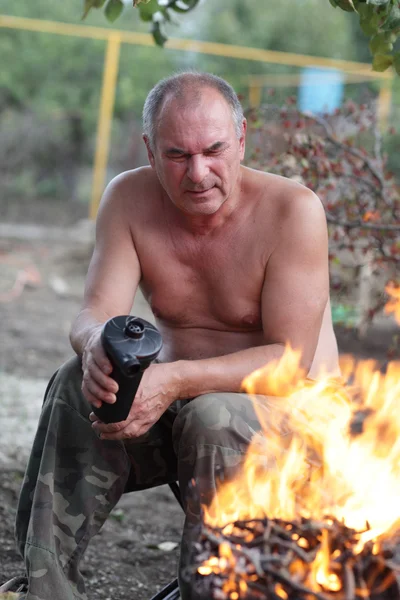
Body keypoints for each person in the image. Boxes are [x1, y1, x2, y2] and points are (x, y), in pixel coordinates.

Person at [6, 71, 340, 600]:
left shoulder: (291, 212)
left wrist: (176, 380)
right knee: (77, 384)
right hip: (186, 417)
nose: (199, 173)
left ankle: (211, 590)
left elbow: (291, 363)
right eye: (178, 155)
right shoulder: (129, 199)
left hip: (296, 437)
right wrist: (93, 342)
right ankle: (45, 589)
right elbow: (94, 312)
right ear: (150, 150)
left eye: (214, 150)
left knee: (213, 415)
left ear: (243, 139)